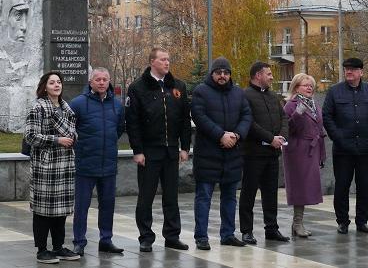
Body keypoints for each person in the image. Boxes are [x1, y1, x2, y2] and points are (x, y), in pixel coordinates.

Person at [125, 47, 192, 252]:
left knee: (171, 196)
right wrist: (137, 150)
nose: (167, 63)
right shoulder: (138, 87)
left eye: (168, 59)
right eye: (163, 59)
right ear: (152, 61)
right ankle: (146, 236)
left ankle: (172, 235)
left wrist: (184, 147)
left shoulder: (177, 86)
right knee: (146, 196)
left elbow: (184, 120)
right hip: (149, 152)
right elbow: (132, 122)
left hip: (171, 151)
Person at [191, 57, 252, 250]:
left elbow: (247, 115)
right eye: (219, 72)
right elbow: (199, 116)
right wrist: (220, 136)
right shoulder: (201, 91)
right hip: (208, 154)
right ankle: (201, 236)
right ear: (212, 74)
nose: (222, 76)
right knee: (204, 197)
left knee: (229, 197)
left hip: (232, 154)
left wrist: (236, 135)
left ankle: (227, 234)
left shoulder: (238, 93)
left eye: (226, 72)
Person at [323, 58, 368, 234]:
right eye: (346, 69)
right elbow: (327, 116)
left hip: (366, 147)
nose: (349, 72)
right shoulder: (335, 92)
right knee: (342, 185)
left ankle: (362, 222)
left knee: (364, 186)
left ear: (361, 72)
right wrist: (338, 137)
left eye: (353, 69)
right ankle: (342, 221)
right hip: (343, 148)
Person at [24, 71, 81, 264]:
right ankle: (42, 250)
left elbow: (73, 134)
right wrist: (56, 140)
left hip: (65, 165)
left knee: (61, 210)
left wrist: (72, 139)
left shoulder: (67, 109)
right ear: (45, 86)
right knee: (43, 210)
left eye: (59, 82)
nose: (57, 85)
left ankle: (58, 247)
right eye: (52, 82)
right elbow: (30, 136)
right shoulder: (38, 107)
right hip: (46, 166)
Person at [70, 67, 125, 256]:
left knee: (108, 204)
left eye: (105, 79)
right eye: (98, 79)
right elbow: (70, 131)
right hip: (85, 164)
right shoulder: (78, 103)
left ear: (109, 81)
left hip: (108, 164)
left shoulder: (117, 105)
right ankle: (79, 241)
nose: (102, 82)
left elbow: (118, 129)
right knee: (82, 206)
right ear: (91, 82)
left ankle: (106, 240)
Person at [239, 62, 290, 244]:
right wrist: (270, 138)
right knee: (248, 192)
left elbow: (284, 117)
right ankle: (246, 230)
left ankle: (272, 229)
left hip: (272, 153)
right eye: (268, 74)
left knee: (271, 193)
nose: (272, 77)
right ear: (258, 75)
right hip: (253, 153)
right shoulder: (245, 95)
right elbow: (249, 123)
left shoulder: (273, 96)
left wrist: (281, 137)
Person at [282, 73, 326, 238]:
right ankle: (298, 223)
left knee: (307, 187)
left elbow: (318, 130)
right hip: (297, 150)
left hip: (311, 150)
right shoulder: (291, 105)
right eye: (305, 85)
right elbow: (287, 128)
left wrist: (321, 153)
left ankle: (298, 222)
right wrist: (298, 113)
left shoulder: (314, 104)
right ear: (295, 87)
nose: (309, 88)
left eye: (311, 85)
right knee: (300, 187)